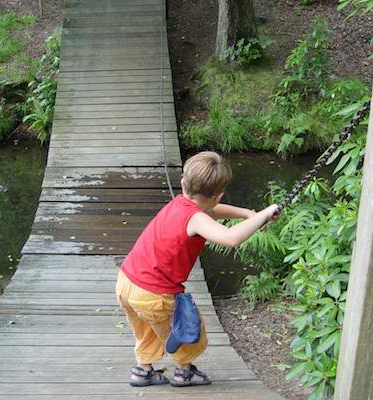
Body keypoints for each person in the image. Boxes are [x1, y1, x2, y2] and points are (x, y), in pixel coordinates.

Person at [115, 151, 279, 387]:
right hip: (152, 292)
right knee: (186, 328)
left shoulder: (182, 203)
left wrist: (248, 214)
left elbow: (212, 211)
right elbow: (230, 238)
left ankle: (143, 370)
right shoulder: (195, 218)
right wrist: (264, 213)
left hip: (127, 280)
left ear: (184, 182)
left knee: (147, 327)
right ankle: (184, 373)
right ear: (218, 194)